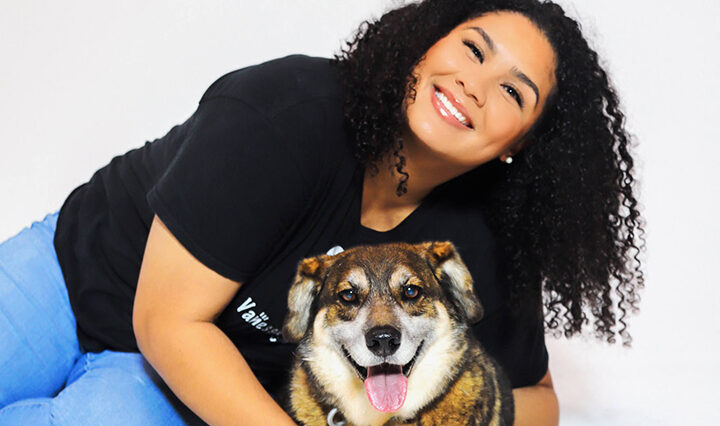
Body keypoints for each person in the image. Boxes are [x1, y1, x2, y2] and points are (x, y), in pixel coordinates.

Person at [0, 0, 644, 424]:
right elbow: (166, 320)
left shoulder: (485, 240)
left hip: (201, 382)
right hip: (76, 279)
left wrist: (427, 413)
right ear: (429, 43)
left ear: (519, 144)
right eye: (474, 50)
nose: (474, 85)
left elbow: (538, 402)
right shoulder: (284, 112)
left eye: (511, 91)